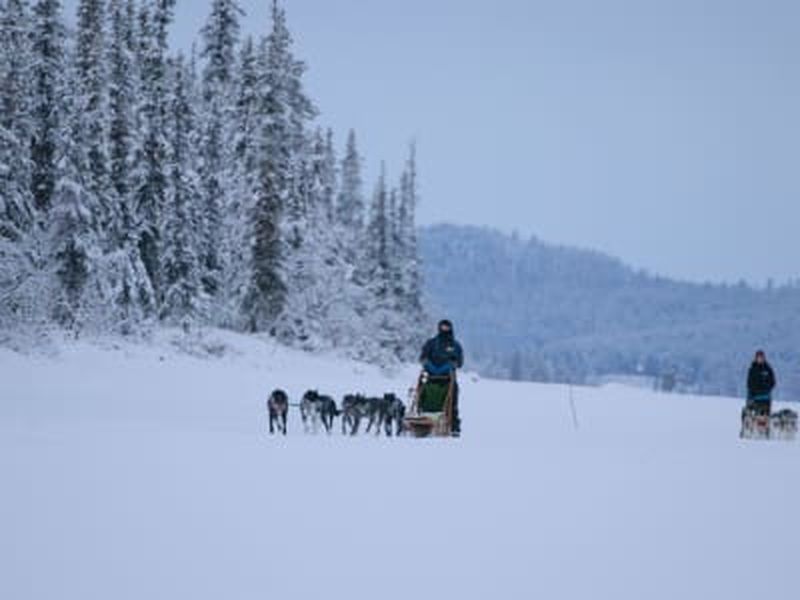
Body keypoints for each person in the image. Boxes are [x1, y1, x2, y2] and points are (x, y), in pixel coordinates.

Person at [419, 319, 464, 436]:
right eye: (442, 327)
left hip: (448, 378)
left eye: (446, 327)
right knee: (421, 392)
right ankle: (420, 415)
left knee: (453, 398)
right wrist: (425, 362)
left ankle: (454, 424)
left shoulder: (455, 345)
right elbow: (423, 356)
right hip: (431, 377)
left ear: (450, 328)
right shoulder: (431, 343)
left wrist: (454, 363)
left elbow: (459, 362)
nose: (444, 329)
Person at [746, 349, 776, 416]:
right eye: (758, 357)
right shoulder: (752, 369)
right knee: (755, 416)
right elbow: (749, 383)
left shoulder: (768, 369)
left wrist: (768, 388)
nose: (760, 359)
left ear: (764, 358)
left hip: (766, 397)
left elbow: (773, 381)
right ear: (756, 358)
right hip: (755, 396)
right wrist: (753, 391)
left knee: (766, 417)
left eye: (761, 357)